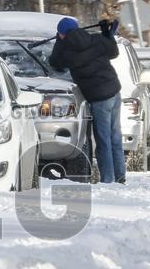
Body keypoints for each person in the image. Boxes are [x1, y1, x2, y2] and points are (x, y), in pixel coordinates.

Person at [48, 17, 125, 184]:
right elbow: (113, 52)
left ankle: (108, 180)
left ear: (62, 34)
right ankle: (120, 177)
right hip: (114, 92)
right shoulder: (95, 39)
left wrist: (59, 42)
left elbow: (55, 63)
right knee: (115, 137)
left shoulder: (67, 52)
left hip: (99, 98)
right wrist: (106, 34)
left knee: (103, 140)